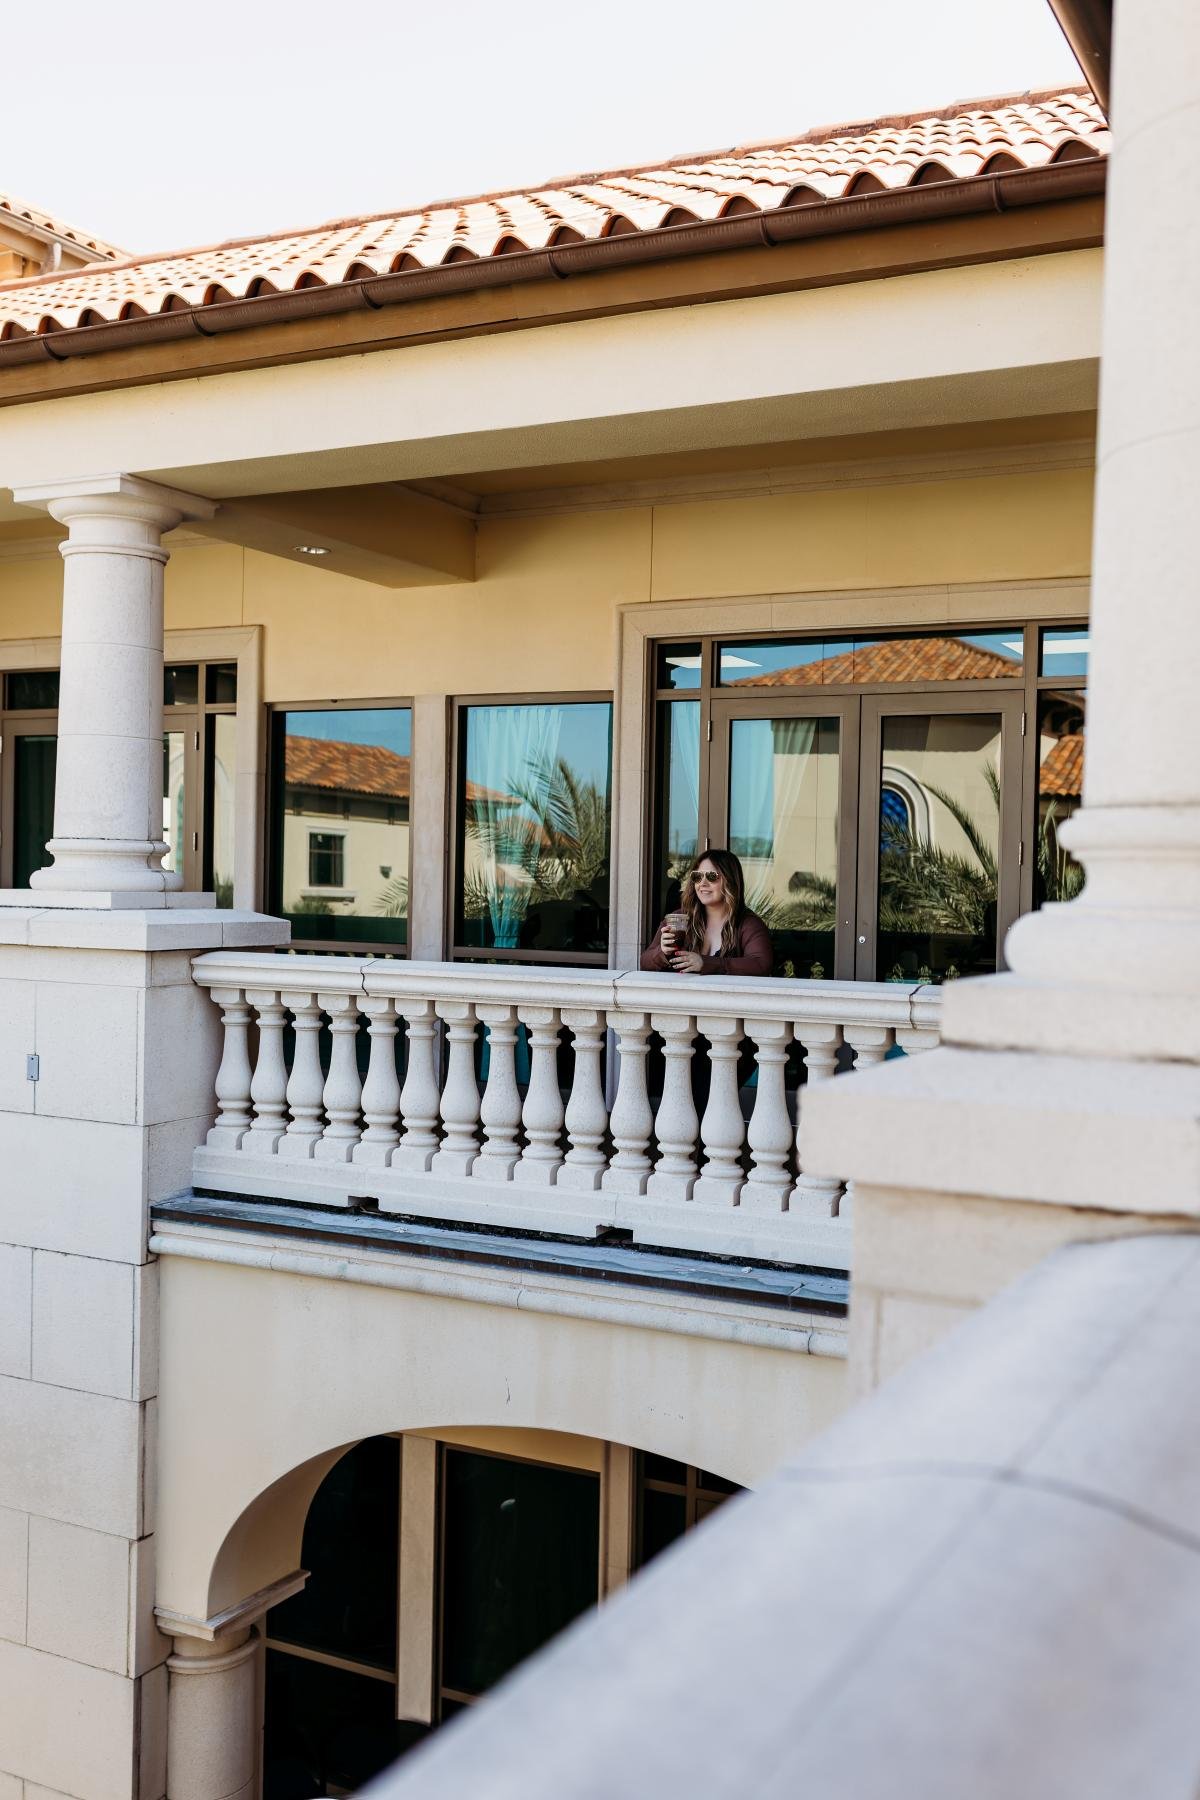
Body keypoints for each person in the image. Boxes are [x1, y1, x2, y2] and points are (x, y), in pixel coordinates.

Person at [641, 848, 773, 976]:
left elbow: (761, 964)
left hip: (724, 997)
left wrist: (706, 963)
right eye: (697, 876)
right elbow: (644, 962)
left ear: (730, 880)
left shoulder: (748, 923)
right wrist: (662, 952)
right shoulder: (679, 917)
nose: (702, 883)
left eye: (711, 876)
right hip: (680, 996)